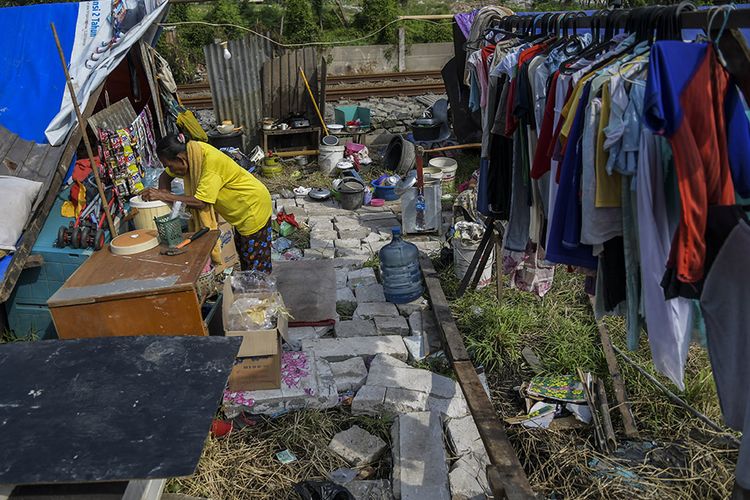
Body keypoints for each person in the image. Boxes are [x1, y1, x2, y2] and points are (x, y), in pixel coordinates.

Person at [142, 134, 273, 273]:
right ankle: (251, 288)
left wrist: (165, 195)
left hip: (252, 207)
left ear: (180, 159)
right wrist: (164, 194)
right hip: (240, 210)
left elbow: (200, 202)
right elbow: (165, 176)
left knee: (256, 264)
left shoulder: (209, 163)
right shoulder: (192, 153)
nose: (171, 169)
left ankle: (262, 292)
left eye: (170, 165)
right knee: (245, 254)